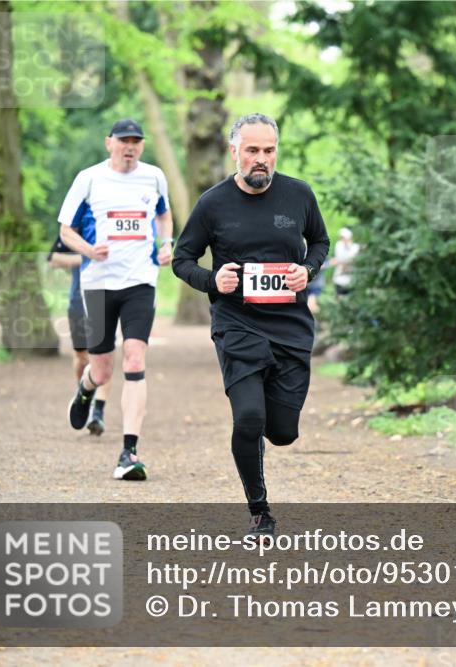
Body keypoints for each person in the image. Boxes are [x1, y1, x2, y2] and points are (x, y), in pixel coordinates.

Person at [173, 113, 330, 537]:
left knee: (282, 433)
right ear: (234, 152)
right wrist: (212, 280)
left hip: (291, 327)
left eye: (269, 150)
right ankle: (259, 510)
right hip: (237, 323)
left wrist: (308, 270)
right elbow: (181, 259)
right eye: (252, 151)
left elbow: (320, 242)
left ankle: (270, 429)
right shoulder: (213, 203)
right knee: (248, 418)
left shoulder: (299, 195)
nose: (261, 159)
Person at [58, 118, 174, 481]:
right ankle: (87, 387)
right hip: (99, 283)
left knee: (136, 356)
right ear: (109, 142)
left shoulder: (154, 176)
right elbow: (65, 230)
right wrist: (89, 250)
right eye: (124, 140)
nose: (130, 147)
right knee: (103, 369)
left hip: (141, 281)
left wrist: (166, 242)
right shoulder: (89, 178)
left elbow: (164, 214)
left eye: (136, 141)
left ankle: (129, 451)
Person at [47, 236, 112, 435]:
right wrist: (85, 255)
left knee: (103, 357)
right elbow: (53, 258)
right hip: (78, 299)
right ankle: (83, 397)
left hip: (107, 300)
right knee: (82, 356)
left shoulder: (114, 221)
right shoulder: (78, 224)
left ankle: (97, 413)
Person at [330, 227, 360, 297]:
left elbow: (352, 258)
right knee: (339, 295)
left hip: (351, 277)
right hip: (339, 276)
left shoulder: (355, 246)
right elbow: (339, 259)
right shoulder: (339, 245)